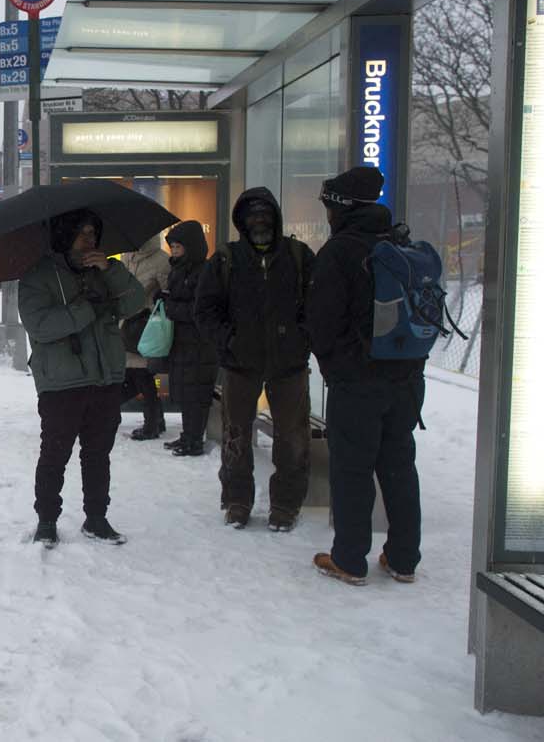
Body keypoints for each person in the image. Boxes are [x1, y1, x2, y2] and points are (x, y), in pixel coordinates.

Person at [307, 167, 424, 586]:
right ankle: (404, 557)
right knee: (399, 465)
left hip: (358, 382)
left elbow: (321, 322)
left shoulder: (341, 251)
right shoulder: (398, 244)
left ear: (340, 208)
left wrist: (336, 369)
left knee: (353, 469)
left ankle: (350, 558)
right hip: (406, 380)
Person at [18, 208, 148, 547]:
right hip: (61, 383)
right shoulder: (38, 276)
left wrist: (110, 270)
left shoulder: (104, 271)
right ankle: (47, 520)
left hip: (103, 378)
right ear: (64, 235)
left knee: (97, 454)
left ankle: (96, 518)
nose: (89, 240)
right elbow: (40, 326)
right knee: (55, 455)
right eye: (82, 233)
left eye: (93, 233)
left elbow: (135, 301)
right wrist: (86, 308)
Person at [195, 188, 316, 531]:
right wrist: (229, 341)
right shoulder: (225, 260)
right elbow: (205, 310)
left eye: (265, 213)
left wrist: (300, 339)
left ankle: (286, 505)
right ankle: (237, 501)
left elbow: (318, 306)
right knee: (236, 436)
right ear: (241, 222)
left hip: (289, 366)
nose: (259, 220)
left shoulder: (299, 255)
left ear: (275, 218)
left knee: (293, 438)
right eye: (252, 215)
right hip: (240, 365)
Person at [160, 220, 219, 457]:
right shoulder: (178, 270)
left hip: (199, 344)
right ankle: (188, 435)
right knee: (185, 391)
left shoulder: (204, 272)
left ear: (191, 246)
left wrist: (169, 305)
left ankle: (195, 439)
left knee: (196, 393)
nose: (173, 251)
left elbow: (198, 310)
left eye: (178, 247)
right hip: (182, 342)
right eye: (172, 247)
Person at [121, 234, 171, 440]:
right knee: (136, 375)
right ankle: (157, 420)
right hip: (126, 322)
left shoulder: (161, 259)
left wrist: (151, 296)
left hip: (145, 325)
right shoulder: (127, 256)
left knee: (143, 375)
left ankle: (152, 424)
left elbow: (168, 292)